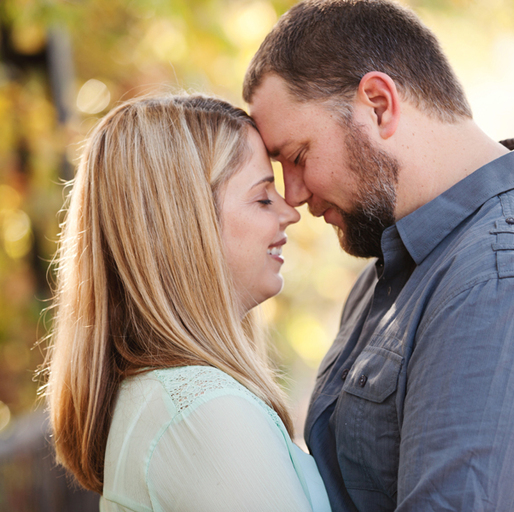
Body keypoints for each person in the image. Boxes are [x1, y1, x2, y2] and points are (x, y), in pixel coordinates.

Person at [242, 1, 514, 511]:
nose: (294, 195)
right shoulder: (405, 257)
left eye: (299, 156)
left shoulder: (505, 283)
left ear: (379, 105)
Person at [42, 95, 331, 512]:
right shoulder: (202, 413)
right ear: (185, 225)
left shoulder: (165, 397)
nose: (291, 213)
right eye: (263, 197)